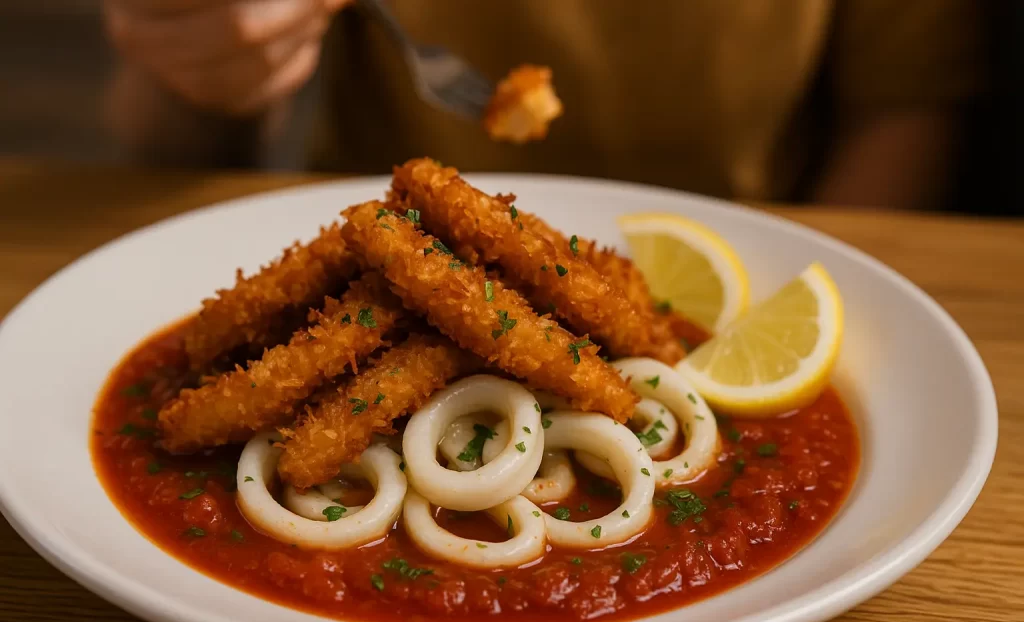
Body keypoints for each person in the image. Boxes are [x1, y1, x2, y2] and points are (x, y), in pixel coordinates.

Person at [102, 0, 987, 209]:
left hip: (730, 268)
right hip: (372, 235)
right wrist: (195, 58)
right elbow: (163, 144)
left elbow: (906, 110)